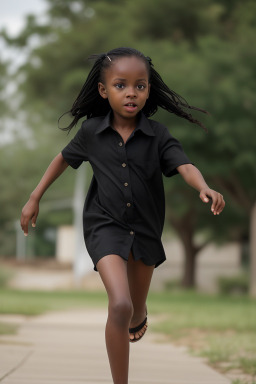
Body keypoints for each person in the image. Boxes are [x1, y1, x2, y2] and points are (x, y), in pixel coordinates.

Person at [20, 47, 225, 384]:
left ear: (147, 90)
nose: (131, 92)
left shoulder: (158, 135)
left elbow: (184, 165)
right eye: (120, 85)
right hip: (103, 225)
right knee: (119, 305)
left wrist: (203, 186)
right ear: (104, 90)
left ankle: (139, 313)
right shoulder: (91, 133)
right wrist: (34, 196)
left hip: (144, 228)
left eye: (140, 86)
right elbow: (62, 159)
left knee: (134, 307)